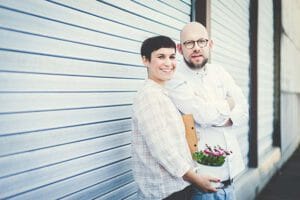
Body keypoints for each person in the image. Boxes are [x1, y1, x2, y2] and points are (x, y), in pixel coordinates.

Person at [166, 22, 249, 200]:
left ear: (210, 44)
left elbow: (244, 110)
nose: (196, 47)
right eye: (189, 43)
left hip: (231, 179)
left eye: (201, 41)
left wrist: (222, 114)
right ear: (180, 49)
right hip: (202, 184)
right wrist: (228, 104)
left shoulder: (220, 72)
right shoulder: (174, 78)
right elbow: (202, 114)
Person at [131, 35, 220, 200]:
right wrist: (196, 179)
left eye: (172, 57)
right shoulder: (149, 96)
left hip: (177, 187)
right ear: (145, 60)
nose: (168, 63)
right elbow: (163, 149)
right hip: (165, 192)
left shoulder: (162, 93)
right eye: (160, 57)